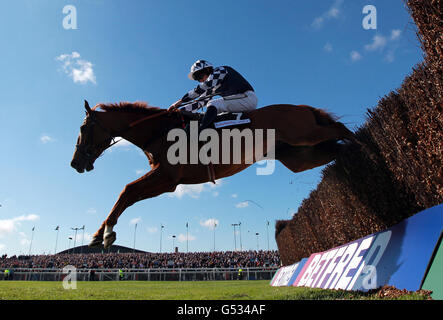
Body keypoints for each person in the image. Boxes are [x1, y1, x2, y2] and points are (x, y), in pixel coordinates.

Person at [168, 60, 258, 132]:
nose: (200, 80)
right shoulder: (213, 88)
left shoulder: (221, 70)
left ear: (208, 70)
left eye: (200, 76)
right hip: (238, 102)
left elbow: (203, 87)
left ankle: (201, 131)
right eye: (197, 79)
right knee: (211, 115)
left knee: (213, 104)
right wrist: (178, 112)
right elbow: (200, 102)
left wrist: (181, 100)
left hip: (247, 98)